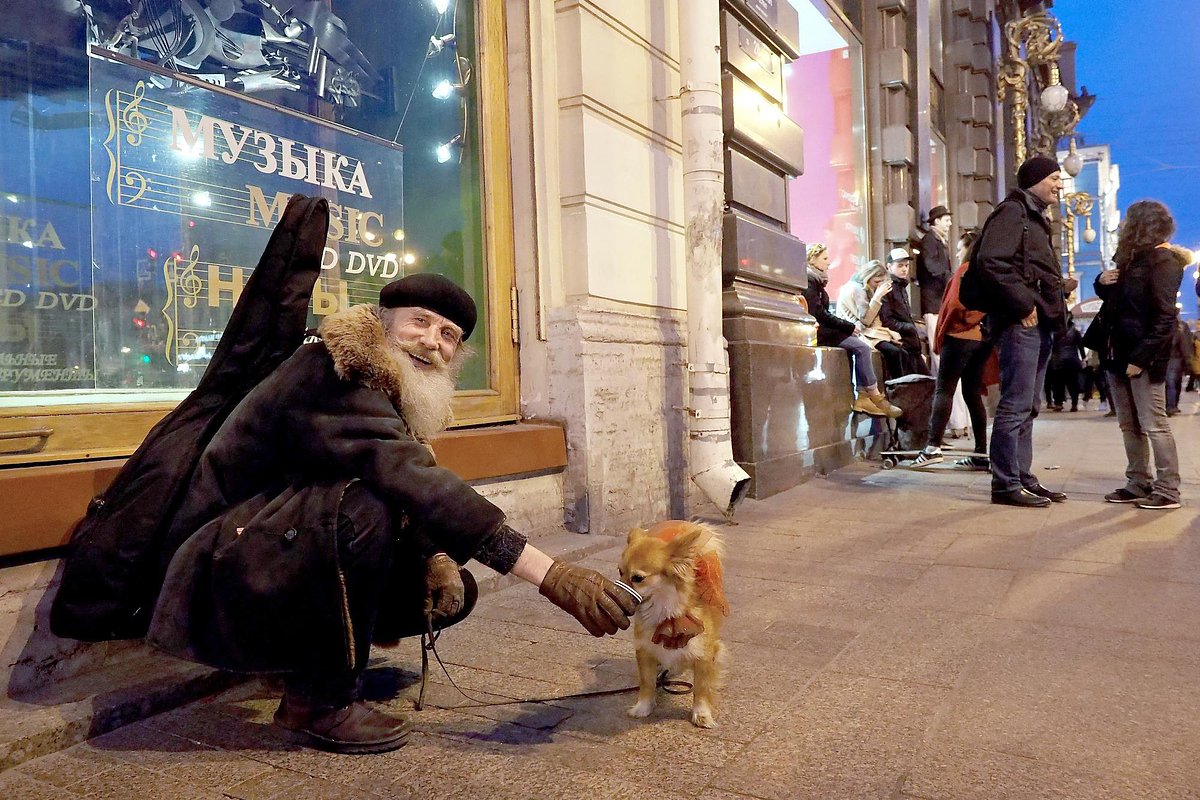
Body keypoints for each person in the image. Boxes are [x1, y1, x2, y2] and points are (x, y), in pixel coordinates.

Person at [144, 272, 647, 753]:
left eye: (448, 335)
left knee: (448, 589)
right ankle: (317, 702)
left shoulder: (389, 389)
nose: (432, 342)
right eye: (419, 322)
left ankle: (297, 662)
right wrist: (550, 573)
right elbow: (405, 475)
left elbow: (401, 477)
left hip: (264, 551)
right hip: (216, 570)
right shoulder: (333, 371)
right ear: (384, 322)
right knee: (360, 507)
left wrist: (433, 556)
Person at [970, 155, 1069, 508]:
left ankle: (1023, 477)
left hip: (1039, 322)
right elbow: (992, 262)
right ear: (1036, 180)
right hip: (1020, 323)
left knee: (1029, 405)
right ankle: (1005, 483)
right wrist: (1023, 304)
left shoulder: (1035, 216)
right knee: (1014, 405)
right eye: (1055, 178)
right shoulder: (1013, 212)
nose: (1060, 184)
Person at [1089, 200, 1187, 509]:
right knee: (1128, 424)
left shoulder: (1164, 263)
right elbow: (1120, 303)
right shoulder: (1129, 260)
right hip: (1116, 353)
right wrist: (1101, 283)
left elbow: (1164, 318)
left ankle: (1168, 489)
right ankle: (1138, 482)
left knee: (1154, 424)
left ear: (1140, 225)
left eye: (1128, 221)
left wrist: (1140, 358)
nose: (1122, 225)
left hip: (1141, 358)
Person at [910, 231, 993, 468]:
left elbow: (953, 305)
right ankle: (981, 453)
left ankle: (932, 447)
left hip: (959, 336)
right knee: (972, 393)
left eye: (959, 248)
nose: (956, 253)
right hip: (981, 340)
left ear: (968, 248)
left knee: (944, 389)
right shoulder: (987, 272)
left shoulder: (965, 271)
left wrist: (948, 330)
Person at [800, 243, 902, 417]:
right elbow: (819, 313)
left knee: (867, 348)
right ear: (812, 259)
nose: (828, 262)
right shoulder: (811, 281)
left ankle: (865, 396)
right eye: (824, 258)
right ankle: (874, 396)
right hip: (819, 331)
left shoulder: (816, 281)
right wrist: (848, 326)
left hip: (826, 329)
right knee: (862, 347)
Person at [836, 259, 909, 382]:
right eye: (876, 282)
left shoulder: (863, 288)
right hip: (859, 332)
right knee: (894, 352)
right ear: (868, 277)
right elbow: (866, 320)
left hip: (868, 331)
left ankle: (901, 388)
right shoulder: (856, 289)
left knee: (903, 353)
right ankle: (897, 389)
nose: (877, 285)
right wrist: (877, 297)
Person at [878, 247, 929, 376]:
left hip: (911, 347)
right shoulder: (888, 288)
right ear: (889, 266)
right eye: (900, 265)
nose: (904, 269)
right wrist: (910, 327)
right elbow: (887, 320)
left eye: (906, 265)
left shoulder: (901, 287)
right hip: (903, 346)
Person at [1048, 315, 1084, 411]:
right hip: (1072, 360)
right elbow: (1081, 347)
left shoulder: (1055, 332)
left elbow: (1052, 346)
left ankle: (1059, 404)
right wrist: (1084, 359)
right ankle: (1074, 404)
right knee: (1073, 383)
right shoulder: (1076, 332)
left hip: (1058, 361)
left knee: (1058, 384)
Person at [1165, 317, 1194, 415]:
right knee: (1173, 382)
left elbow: (1185, 345)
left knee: (1171, 382)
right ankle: (1171, 406)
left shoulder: (1179, 327)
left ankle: (1171, 405)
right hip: (1175, 359)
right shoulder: (1180, 328)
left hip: (1174, 358)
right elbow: (1186, 345)